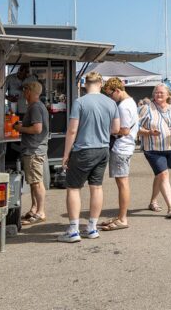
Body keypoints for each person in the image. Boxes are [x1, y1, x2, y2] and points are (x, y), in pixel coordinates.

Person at [58, 72, 120, 243]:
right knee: (97, 187)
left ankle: (73, 230)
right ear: (100, 83)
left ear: (85, 84)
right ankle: (92, 227)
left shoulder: (80, 102)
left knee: (73, 188)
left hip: (83, 150)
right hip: (102, 149)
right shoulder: (111, 102)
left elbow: (72, 130)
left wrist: (65, 155)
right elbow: (116, 129)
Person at [138, 83, 171, 220]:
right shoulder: (146, 109)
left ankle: (153, 202)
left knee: (159, 176)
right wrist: (148, 132)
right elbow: (134, 127)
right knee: (164, 175)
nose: (158, 95)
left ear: (168, 95)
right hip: (152, 149)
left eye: (161, 93)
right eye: (156, 93)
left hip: (170, 148)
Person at [100, 77, 139, 231]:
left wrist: (107, 130)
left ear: (117, 91)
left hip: (121, 147)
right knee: (122, 183)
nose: (111, 98)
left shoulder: (123, 106)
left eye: (110, 95)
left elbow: (124, 130)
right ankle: (120, 216)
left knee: (122, 183)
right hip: (126, 147)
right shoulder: (131, 102)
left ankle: (122, 218)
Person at [14, 81, 49, 226]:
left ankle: (40, 212)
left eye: (24, 90)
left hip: (34, 149)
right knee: (34, 182)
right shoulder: (37, 106)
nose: (23, 93)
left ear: (29, 91)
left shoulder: (35, 107)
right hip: (34, 149)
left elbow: (37, 129)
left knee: (37, 183)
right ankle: (34, 209)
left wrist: (19, 128)